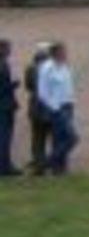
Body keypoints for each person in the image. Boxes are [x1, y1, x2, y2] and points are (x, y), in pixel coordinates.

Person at [37, 42, 79, 175]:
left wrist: (71, 101)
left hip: (68, 105)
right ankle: (46, 163)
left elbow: (67, 86)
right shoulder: (47, 68)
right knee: (72, 138)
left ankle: (60, 168)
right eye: (63, 51)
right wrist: (54, 107)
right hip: (57, 108)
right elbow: (42, 92)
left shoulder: (64, 66)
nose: (66, 54)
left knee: (60, 138)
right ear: (55, 53)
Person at [24, 46, 50, 175]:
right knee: (50, 136)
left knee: (37, 137)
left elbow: (28, 86)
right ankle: (51, 163)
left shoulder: (30, 69)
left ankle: (39, 163)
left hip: (35, 107)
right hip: (50, 107)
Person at [0, 40, 20, 177]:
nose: (10, 51)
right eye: (7, 48)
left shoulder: (5, 64)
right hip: (3, 106)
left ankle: (7, 165)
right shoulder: (1, 65)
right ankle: (4, 167)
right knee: (4, 137)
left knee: (7, 137)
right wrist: (13, 85)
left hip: (8, 106)